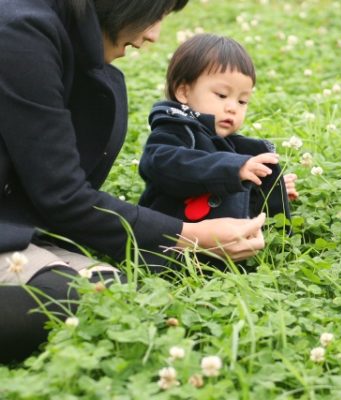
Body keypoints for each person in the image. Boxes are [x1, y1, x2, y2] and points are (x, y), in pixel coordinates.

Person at [0, 0, 266, 363]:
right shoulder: (21, 31)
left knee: (115, 294)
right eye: (155, 13)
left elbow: (59, 189)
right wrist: (189, 237)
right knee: (76, 300)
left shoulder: (68, 46)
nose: (154, 34)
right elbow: (64, 196)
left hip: (19, 224)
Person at [138, 34, 299, 236]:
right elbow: (162, 163)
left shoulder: (229, 144)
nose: (232, 107)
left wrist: (268, 188)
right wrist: (233, 168)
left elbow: (233, 198)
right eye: (222, 95)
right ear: (183, 92)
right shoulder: (176, 130)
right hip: (172, 246)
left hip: (223, 248)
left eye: (242, 101)